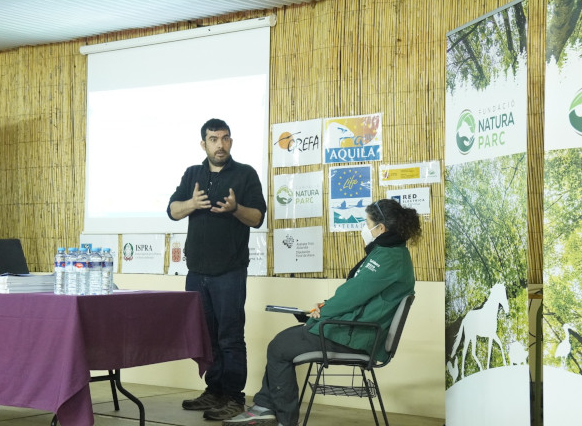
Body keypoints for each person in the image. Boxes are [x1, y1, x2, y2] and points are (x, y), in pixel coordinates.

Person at [223, 199, 421, 426]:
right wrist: (325, 307)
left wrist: (324, 313)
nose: (364, 228)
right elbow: (356, 293)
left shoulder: (388, 257)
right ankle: (265, 407)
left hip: (358, 336)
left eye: (367, 223)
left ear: (381, 228)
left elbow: (352, 295)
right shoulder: (390, 253)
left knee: (279, 347)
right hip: (355, 330)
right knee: (282, 343)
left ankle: (284, 419)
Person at [168, 118, 267, 421]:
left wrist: (236, 209)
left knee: (230, 337)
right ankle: (214, 391)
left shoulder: (245, 174)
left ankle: (234, 398)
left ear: (231, 142)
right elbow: (173, 210)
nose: (220, 144)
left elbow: (258, 218)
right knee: (207, 336)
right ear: (204, 144)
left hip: (230, 271)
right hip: (197, 270)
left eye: (225, 138)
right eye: (213, 139)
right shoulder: (192, 174)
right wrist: (191, 204)